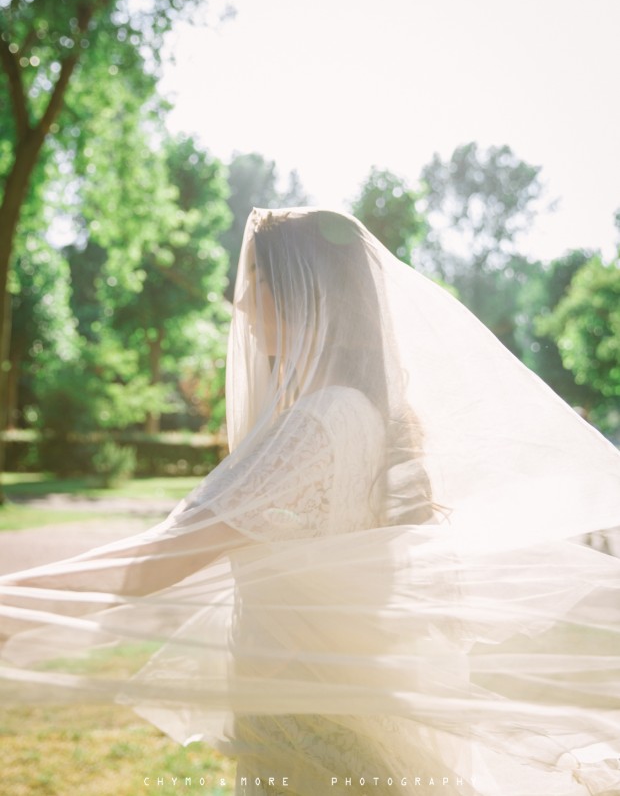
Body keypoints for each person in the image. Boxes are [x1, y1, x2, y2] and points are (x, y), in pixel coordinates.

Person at [1, 207, 620, 795]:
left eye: (257, 281)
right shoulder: (359, 411)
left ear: (305, 296)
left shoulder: (319, 424)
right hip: (328, 714)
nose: (240, 302)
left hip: (313, 733)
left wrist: (12, 602)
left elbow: (162, 558)